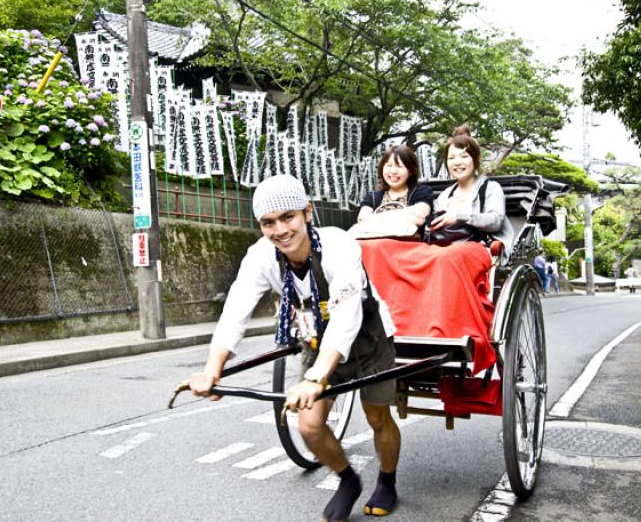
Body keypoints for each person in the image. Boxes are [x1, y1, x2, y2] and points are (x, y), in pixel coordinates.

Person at [189, 175, 402, 521]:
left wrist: (317, 377)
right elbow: (235, 311)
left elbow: (347, 315)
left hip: (368, 336)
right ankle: (348, 480)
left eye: (288, 217)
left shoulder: (339, 245)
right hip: (316, 338)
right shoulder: (260, 257)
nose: (280, 230)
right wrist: (212, 369)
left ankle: (388, 481)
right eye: (268, 223)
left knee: (378, 417)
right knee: (308, 426)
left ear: (307, 212)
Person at [358, 125, 514, 376]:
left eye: (463, 156)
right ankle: (410, 329)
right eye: (452, 158)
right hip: (442, 247)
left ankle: (446, 331)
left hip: (477, 245)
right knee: (418, 259)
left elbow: (495, 220)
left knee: (446, 259)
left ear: (474, 159)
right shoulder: (445, 195)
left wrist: (460, 215)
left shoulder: (489, 188)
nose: (457, 162)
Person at [356, 144, 433, 233]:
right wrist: (408, 213)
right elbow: (362, 221)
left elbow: (419, 218)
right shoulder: (372, 197)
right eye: (389, 165)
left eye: (399, 166)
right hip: (375, 244)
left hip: (410, 245)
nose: (393, 171)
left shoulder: (422, 192)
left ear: (411, 171)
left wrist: (374, 217)